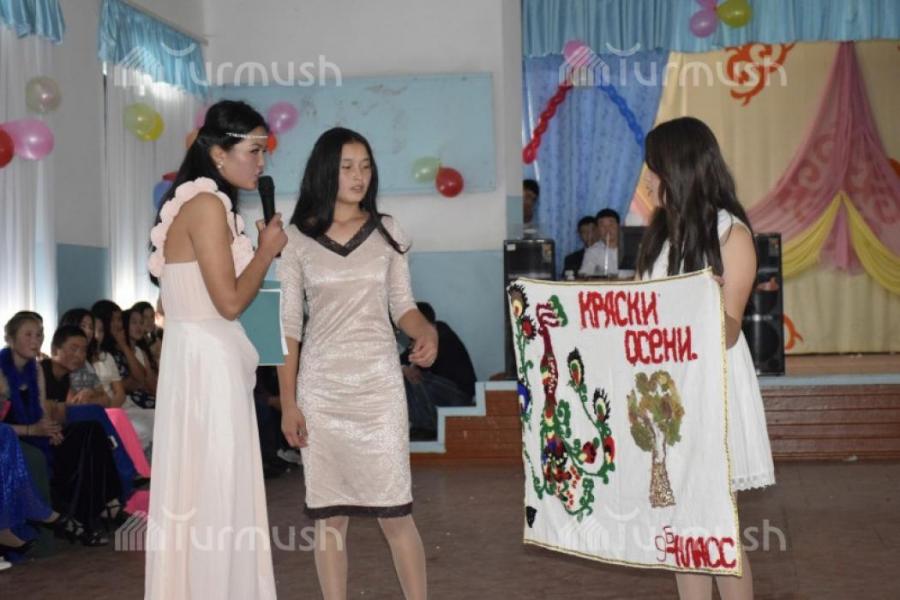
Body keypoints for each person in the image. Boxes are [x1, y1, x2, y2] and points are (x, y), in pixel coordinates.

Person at [277, 127, 437, 600]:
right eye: (347, 166)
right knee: (329, 517)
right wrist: (289, 403)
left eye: (365, 166)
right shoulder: (295, 240)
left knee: (397, 513)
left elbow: (402, 306)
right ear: (325, 170)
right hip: (321, 392)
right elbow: (289, 327)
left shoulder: (389, 231)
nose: (358, 176)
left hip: (379, 389)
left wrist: (426, 332)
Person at [144, 99, 286, 600]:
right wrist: (265, 253)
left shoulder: (200, 204)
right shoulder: (205, 205)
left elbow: (178, 300)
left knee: (208, 486)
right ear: (219, 153)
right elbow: (228, 303)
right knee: (217, 486)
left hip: (198, 360)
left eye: (264, 151)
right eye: (254, 151)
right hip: (208, 365)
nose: (262, 162)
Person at [636, 116, 775, 600]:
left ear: (679, 168)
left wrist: (706, 302)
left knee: (717, 524)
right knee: (680, 524)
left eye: (653, 167)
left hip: (711, 390)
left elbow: (730, 330)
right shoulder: (659, 234)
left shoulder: (731, 234)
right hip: (664, 391)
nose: (646, 178)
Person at [0, 313, 119, 546]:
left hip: (36, 432)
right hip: (17, 435)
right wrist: (32, 430)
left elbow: (42, 410)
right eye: (28, 335)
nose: (35, 341)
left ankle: (95, 510)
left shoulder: (35, 370)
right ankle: (72, 522)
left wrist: (50, 429)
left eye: (39, 335)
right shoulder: (1, 371)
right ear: (11, 339)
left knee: (89, 431)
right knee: (46, 456)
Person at [402, 302, 476, 440]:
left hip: (459, 394)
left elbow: (422, 365)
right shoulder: (421, 338)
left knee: (415, 377)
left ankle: (428, 426)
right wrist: (404, 368)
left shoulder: (441, 334)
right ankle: (422, 425)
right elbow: (402, 362)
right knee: (405, 375)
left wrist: (408, 367)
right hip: (443, 391)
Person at [579, 208, 622, 277]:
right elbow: (585, 275)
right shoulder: (592, 251)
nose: (607, 229)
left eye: (611, 225)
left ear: (619, 226)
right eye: (602, 226)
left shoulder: (631, 247)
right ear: (598, 229)